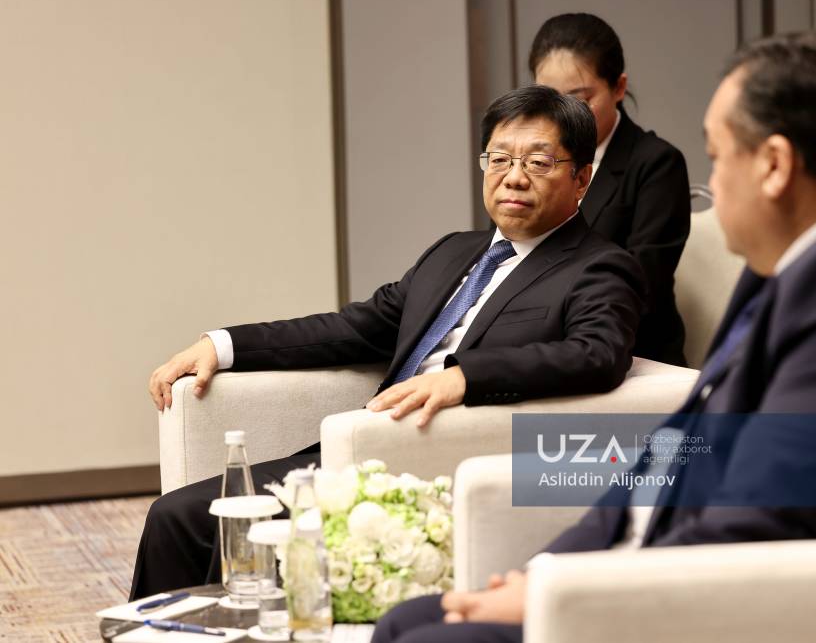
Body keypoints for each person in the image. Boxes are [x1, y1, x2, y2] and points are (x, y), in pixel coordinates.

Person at [372, 29, 816, 643]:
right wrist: (547, 571)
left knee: (425, 635)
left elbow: (763, 522)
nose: (710, 182)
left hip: (722, 601)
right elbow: (680, 446)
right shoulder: (806, 252)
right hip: (652, 567)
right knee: (405, 621)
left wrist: (565, 594)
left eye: (717, 156)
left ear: (774, 165)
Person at [131, 85, 645, 599]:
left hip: (434, 465)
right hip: (357, 449)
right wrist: (223, 346)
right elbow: (353, 328)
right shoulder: (453, 251)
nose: (513, 176)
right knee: (177, 517)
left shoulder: (599, 266)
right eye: (500, 159)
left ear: (581, 178)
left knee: (205, 523)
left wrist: (464, 378)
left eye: (538, 162)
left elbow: (597, 354)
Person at [530, 13, 690, 365]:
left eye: (580, 99)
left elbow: (642, 282)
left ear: (618, 87)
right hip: (537, 343)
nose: (563, 116)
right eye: (548, 100)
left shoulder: (656, 163)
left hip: (628, 352)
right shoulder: (526, 161)